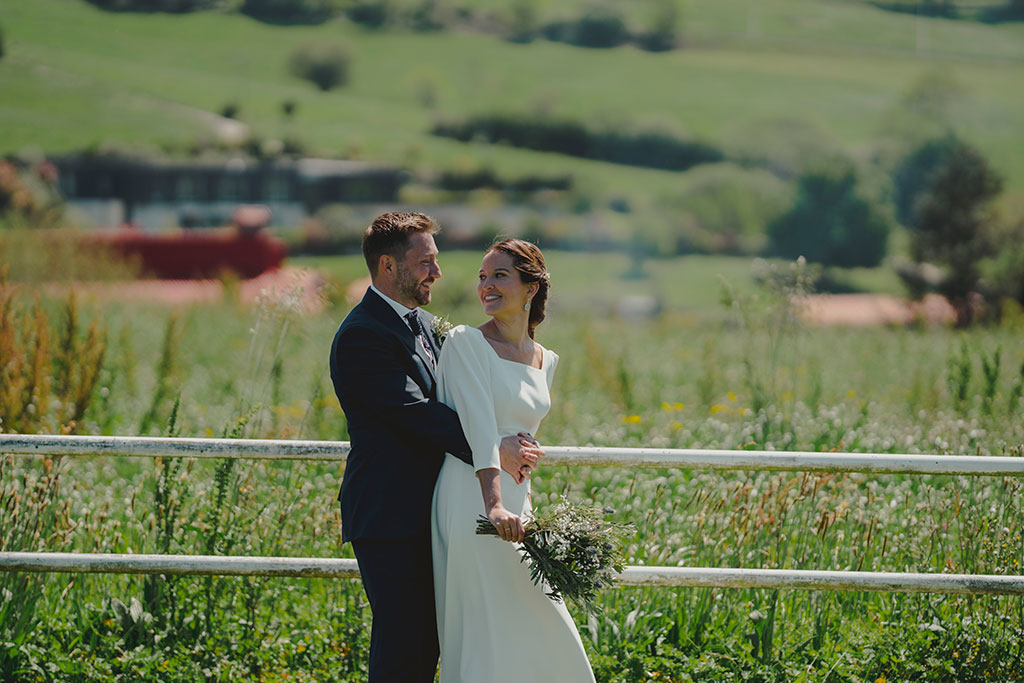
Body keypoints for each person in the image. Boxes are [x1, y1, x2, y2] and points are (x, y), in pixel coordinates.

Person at [329, 212, 544, 683]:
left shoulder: (424, 326)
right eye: (425, 261)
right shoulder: (363, 334)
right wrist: (493, 447)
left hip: (434, 511)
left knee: (433, 642)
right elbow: (414, 413)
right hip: (391, 516)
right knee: (405, 646)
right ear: (389, 266)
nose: (438, 272)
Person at [431, 239, 596, 682]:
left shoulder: (548, 359)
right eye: (482, 277)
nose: (486, 286)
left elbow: (521, 430)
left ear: (531, 287)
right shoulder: (465, 342)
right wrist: (494, 504)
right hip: (473, 497)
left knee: (540, 618)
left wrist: (525, 463)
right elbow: (480, 431)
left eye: (499, 275)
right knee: (488, 627)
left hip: (519, 502)